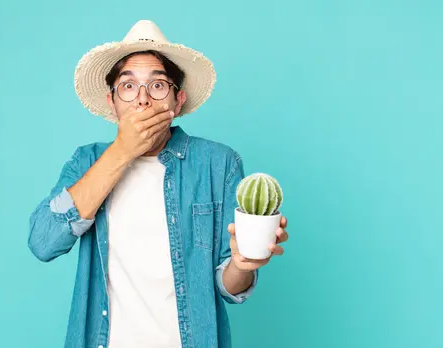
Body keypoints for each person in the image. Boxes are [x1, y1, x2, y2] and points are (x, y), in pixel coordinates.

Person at [28, 20, 289, 348]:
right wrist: (122, 151)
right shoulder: (86, 162)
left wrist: (242, 264)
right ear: (112, 102)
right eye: (127, 86)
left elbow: (230, 287)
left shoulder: (218, 164)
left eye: (157, 86)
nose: (142, 100)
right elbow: (42, 241)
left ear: (178, 102)